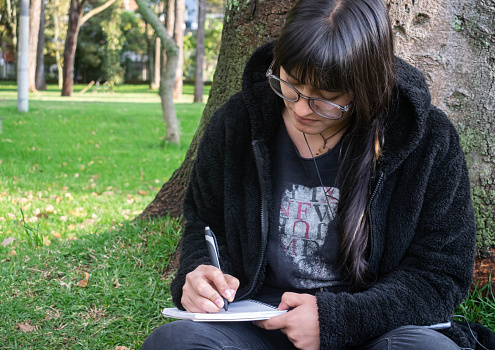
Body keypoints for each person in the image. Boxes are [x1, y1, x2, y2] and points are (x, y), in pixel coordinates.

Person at [141, 0, 493, 349]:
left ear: (366, 88)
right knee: (173, 342)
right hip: (256, 324)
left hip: (374, 331)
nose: (300, 108)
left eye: (326, 99)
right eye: (290, 85)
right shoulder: (237, 124)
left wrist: (336, 321)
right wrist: (198, 276)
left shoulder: (427, 140)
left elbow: (439, 275)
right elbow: (204, 224)